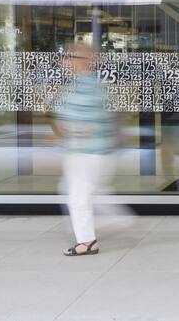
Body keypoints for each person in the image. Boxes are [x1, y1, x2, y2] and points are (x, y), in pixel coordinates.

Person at [53, 42, 118, 256]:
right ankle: (112, 224)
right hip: (86, 152)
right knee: (79, 194)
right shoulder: (83, 84)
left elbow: (80, 123)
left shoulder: (86, 86)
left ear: (85, 61)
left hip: (86, 153)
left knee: (78, 197)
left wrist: (66, 128)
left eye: (71, 56)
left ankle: (87, 241)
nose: (65, 60)